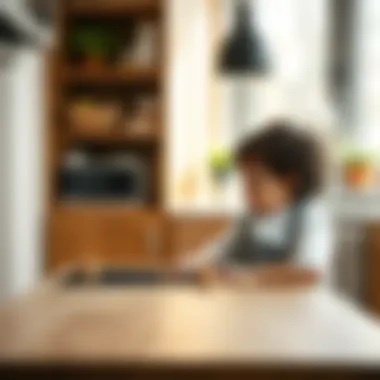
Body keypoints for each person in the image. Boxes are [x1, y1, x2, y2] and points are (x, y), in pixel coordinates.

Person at [180, 120, 333, 288]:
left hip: (293, 310)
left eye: (256, 182)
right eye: (244, 182)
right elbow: (217, 252)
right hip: (253, 306)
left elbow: (308, 272)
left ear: (290, 181)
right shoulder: (250, 219)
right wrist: (190, 266)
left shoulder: (309, 214)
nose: (247, 192)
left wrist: (245, 277)